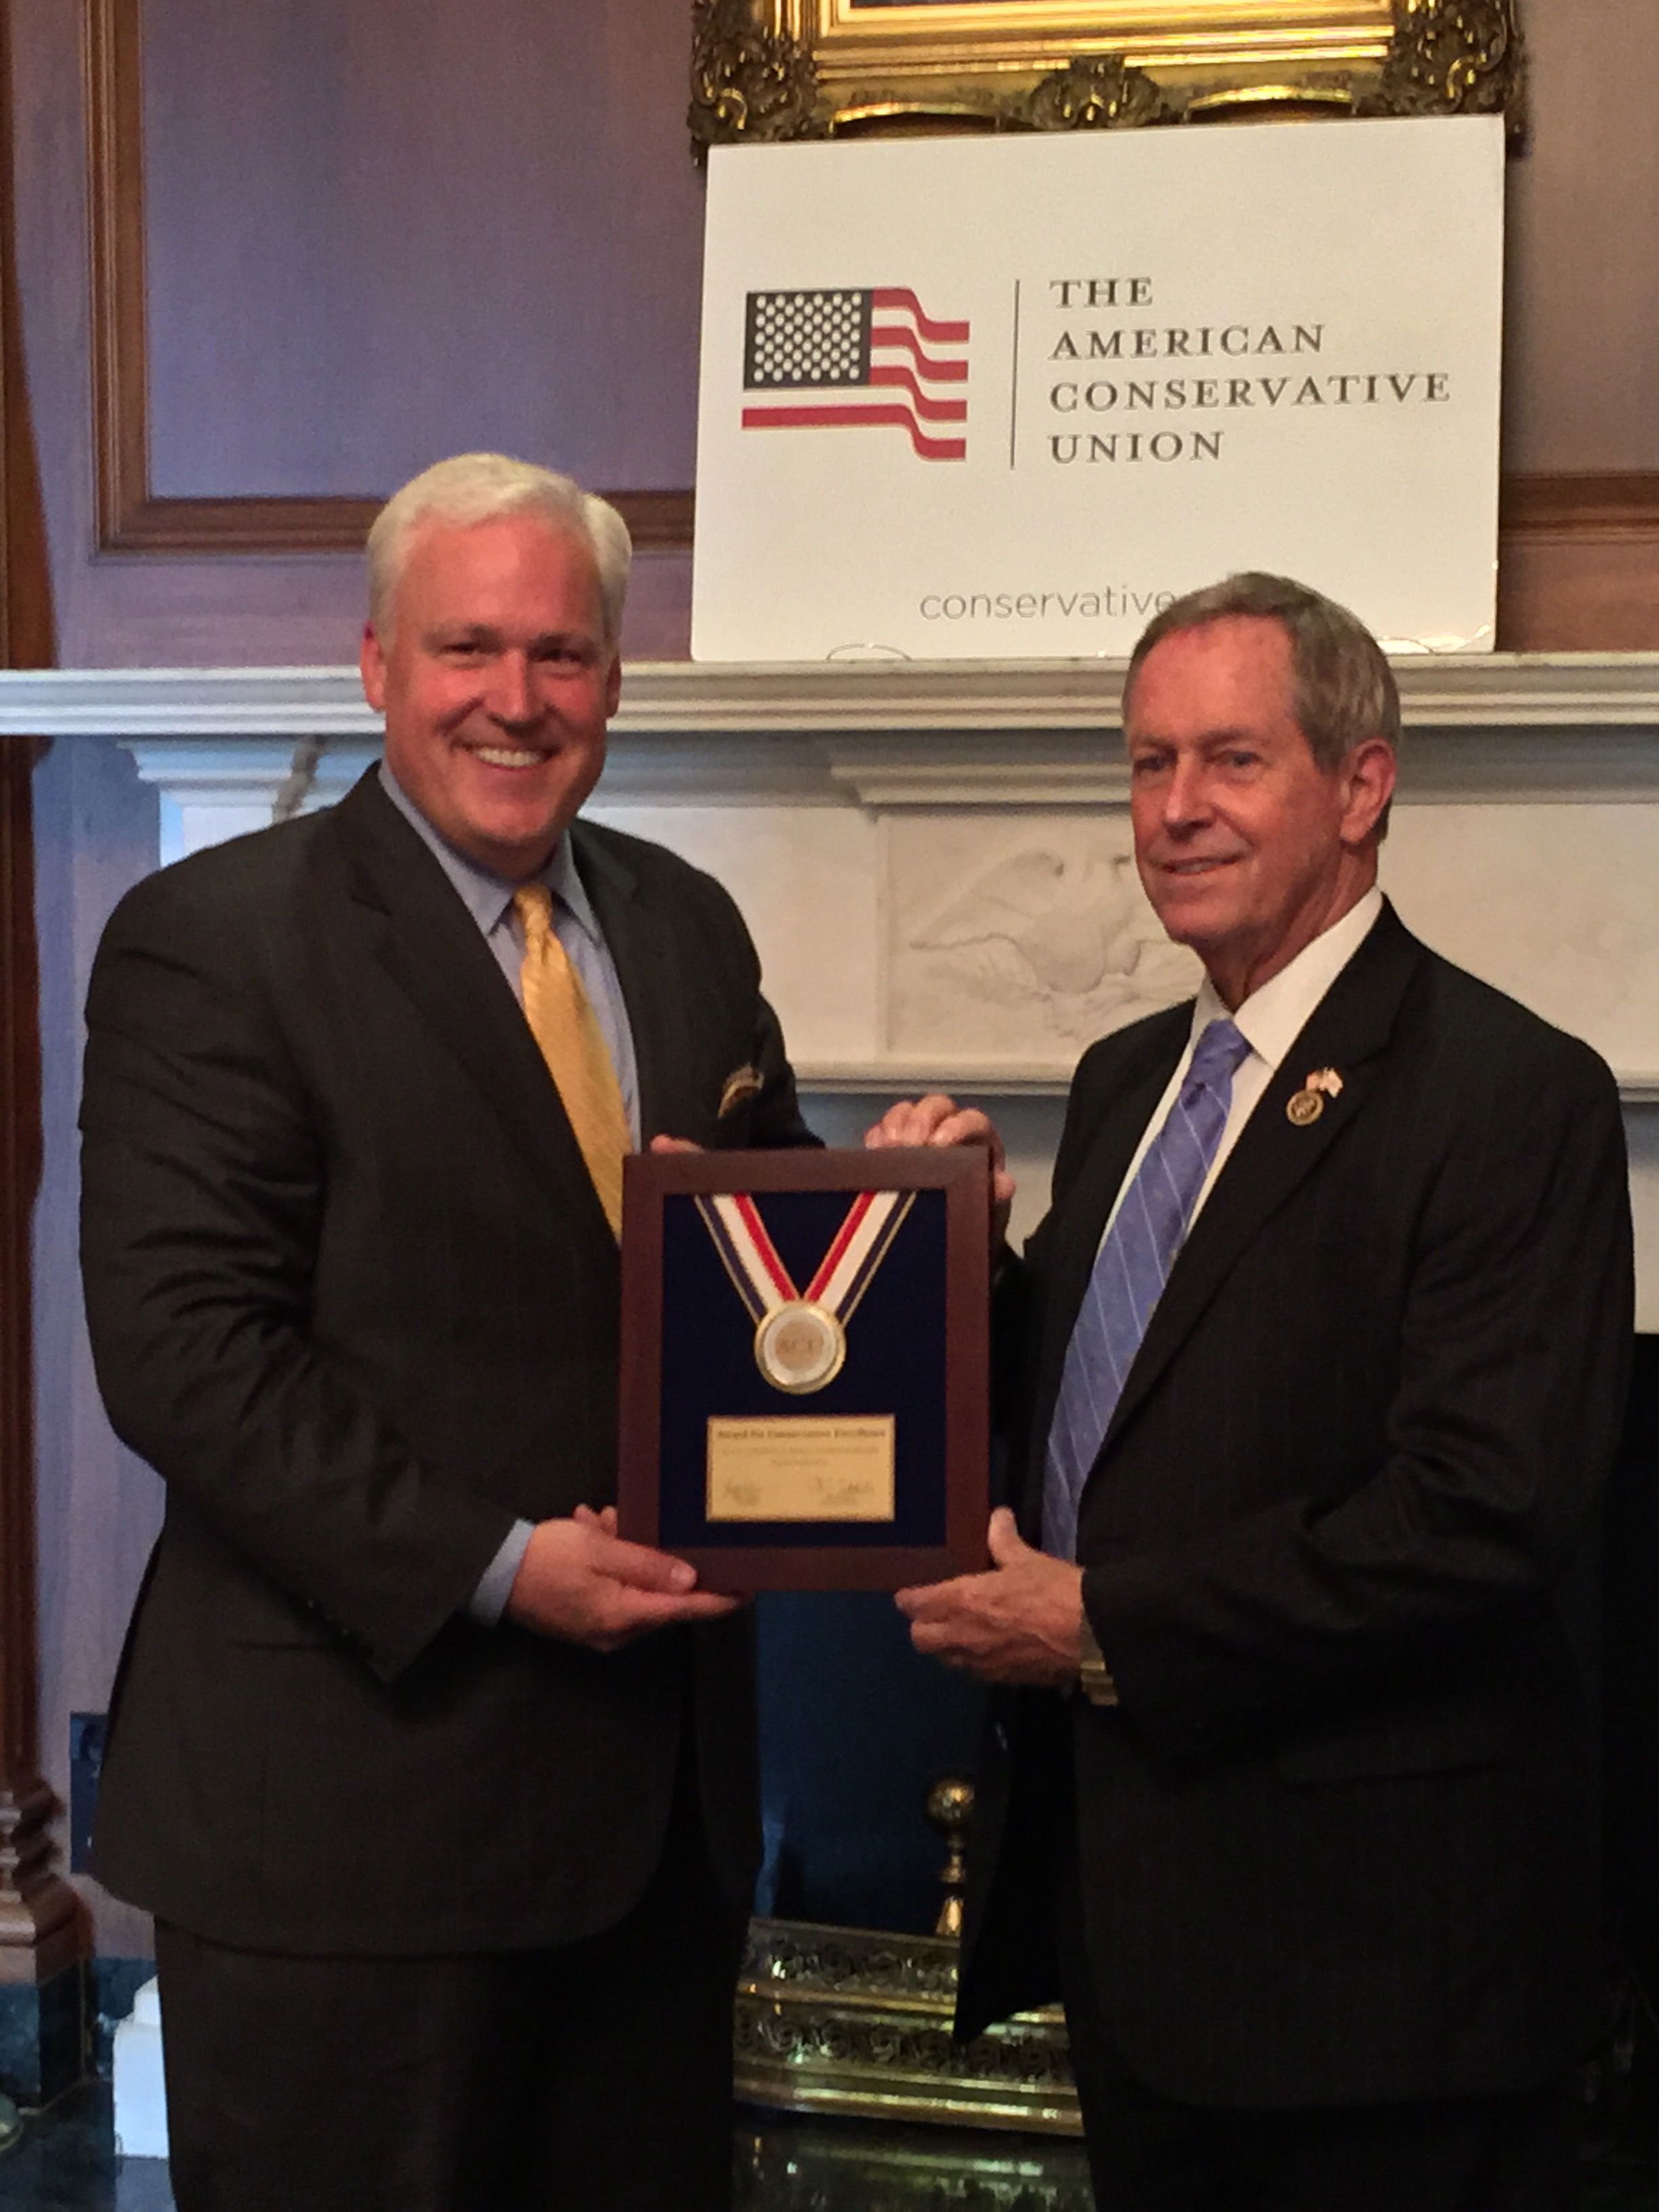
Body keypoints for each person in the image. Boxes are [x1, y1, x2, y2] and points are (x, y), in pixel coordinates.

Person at [79, 453, 815, 2212]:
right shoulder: (214, 942)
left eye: (560, 654)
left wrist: (919, 1225)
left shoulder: (683, 925)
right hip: (348, 1826)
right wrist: (497, 1563)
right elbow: (185, 1354)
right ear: (377, 667)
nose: (515, 698)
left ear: (617, 681)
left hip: (650, 1832)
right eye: (468, 648)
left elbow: (765, 1269)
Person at [868, 573, 1634, 2212]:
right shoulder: (1130, 1076)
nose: (1177, 811)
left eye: (1232, 760)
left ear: (1364, 788)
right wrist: (959, 1265)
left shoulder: (1513, 1098)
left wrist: (1101, 1627)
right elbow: (1115, 1407)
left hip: (1381, 1991)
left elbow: (1479, 1516)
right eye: (1149, 765)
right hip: (1140, 1949)